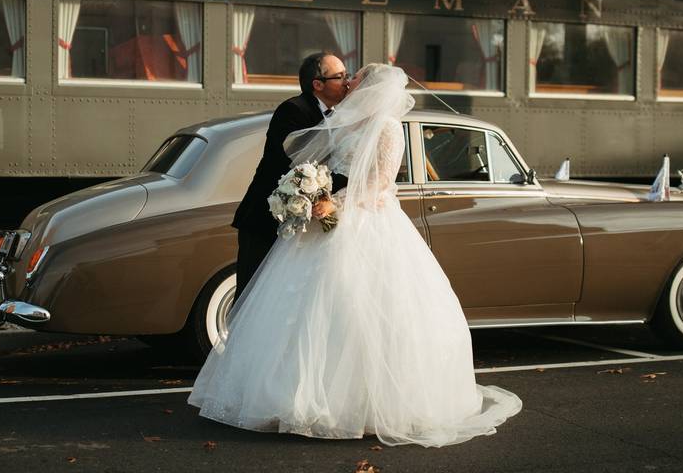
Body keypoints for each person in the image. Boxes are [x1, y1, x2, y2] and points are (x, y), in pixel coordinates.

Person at [189, 63, 522, 448]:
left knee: (362, 309)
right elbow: (321, 166)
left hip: (367, 221)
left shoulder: (387, 127)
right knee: (310, 309)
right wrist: (312, 191)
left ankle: (361, 405)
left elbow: (380, 182)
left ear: (373, 88)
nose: (349, 83)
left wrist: (333, 204)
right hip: (330, 216)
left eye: (356, 78)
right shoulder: (347, 122)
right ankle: (288, 397)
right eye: (346, 78)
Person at [230, 52, 349, 296]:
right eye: (341, 76)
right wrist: (349, 179)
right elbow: (297, 167)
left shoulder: (340, 116)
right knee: (253, 297)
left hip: (306, 220)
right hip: (267, 220)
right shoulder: (293, 110)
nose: (346, 81)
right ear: (318, 84)